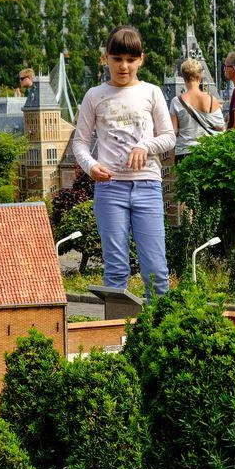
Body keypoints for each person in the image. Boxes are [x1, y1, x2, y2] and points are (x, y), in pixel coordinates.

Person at [72, 26, 175, 301]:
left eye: (130, 60)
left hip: (147, 186)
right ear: (106, 58)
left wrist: (145, 145)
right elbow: (79, 143)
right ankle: (116, 331)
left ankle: (159, 331)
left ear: (141, 59)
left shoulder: (151, 92)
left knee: (155, 269)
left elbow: (168, 137)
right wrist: (91, 166)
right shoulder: (94, 95)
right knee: (115, 269)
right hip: (110, 188)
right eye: (117, 59)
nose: (124, 66)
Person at [170, 58, 224, 162]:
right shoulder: (212, 100)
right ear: (200, 76)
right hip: (208, 151)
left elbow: (174, 132)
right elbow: (220, 128)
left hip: (184, 152)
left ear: (183, 77)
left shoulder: (176, 102)